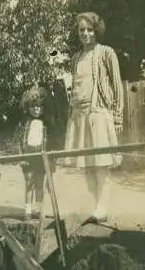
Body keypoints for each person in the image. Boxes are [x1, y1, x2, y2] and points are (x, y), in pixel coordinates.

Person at [63, 12, 124, 225]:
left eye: (89, 29)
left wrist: (117, 117)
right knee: (87, 165)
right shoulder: (75, 58)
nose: (86, 34)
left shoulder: (106, 53)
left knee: (101, 164)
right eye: (82, 30)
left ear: (96, 31)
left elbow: (117, 86)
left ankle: (103, 207)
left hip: (99, 114)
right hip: (80, 116)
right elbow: (75, 89)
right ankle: (96, 204)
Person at [13, 84, 57, 220]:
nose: (36, 109)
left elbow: (51, 144)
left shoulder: (47, 125)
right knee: (29, 183)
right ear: (28, 107)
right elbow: (17, 140)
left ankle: (38, 210)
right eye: (33, 106)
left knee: (39, 183)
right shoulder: (23, 124)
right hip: (28, 156)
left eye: (39, 106)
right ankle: (27, 210)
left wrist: (51, 160)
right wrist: (20, 156)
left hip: (41, 157)